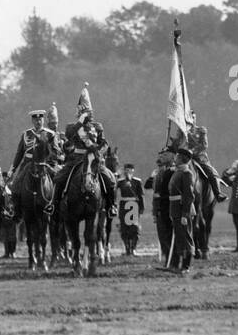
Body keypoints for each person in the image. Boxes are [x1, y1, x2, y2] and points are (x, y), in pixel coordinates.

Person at [54, 84, 117, 216]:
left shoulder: (98, 126)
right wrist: (80, 123)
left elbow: (104, 143)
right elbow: (70, 136)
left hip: (94, 159)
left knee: (109, 180)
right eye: (82, 111)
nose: (85, 114)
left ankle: (111, 206)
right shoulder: (72, 126)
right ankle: (54, 205)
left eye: (87, 111)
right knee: (60, 178)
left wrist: (98, 153)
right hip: (76, 159)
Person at [9, 109, 57, 220]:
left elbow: (56, 152)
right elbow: (19, 153)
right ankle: (16, 210)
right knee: (15, 185)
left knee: (58, 182)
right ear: (32, 121)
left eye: (40, 119)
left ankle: (54, 206)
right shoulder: (26, 134)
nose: (38, 122)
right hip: (28, 164)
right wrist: (13, 169)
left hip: (45, 164)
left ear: (43, 120)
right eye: (36, 120)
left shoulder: (50, 134)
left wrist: (49, 162)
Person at [166, 148, 197, 273]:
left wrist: (185, 214)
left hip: (182, 209)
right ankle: (176, 264)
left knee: (186, 237)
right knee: (179, 237)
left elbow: (188, 195)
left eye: (177, 157)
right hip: (175, 208)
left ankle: (186, 266)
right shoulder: (178, 171)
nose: (175, 159)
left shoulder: (186, 173)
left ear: (183, 159)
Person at [145, 148, 176, 264]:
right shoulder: (157, 172)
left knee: (169, 234)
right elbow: (148, 186)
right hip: (159, 205)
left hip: (169, 204)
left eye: (164, 155)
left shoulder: (174, 171)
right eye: (161, 155)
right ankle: (167, 258)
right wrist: (153, 176)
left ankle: (171, 260)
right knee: (162, 234)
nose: (161, 157)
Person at [116, 162, 145, 256]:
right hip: (124, 205)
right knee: (124, 227)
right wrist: (117, 175)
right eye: (126, 169)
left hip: (134, 205)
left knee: (134, 228)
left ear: (133, 171)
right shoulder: (120, 181)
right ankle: (127, 248)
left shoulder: (137, 181)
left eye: (130, 169)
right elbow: (114, 188)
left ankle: (133, 248)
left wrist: (142, 207)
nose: (128, 171)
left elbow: (141, 195)